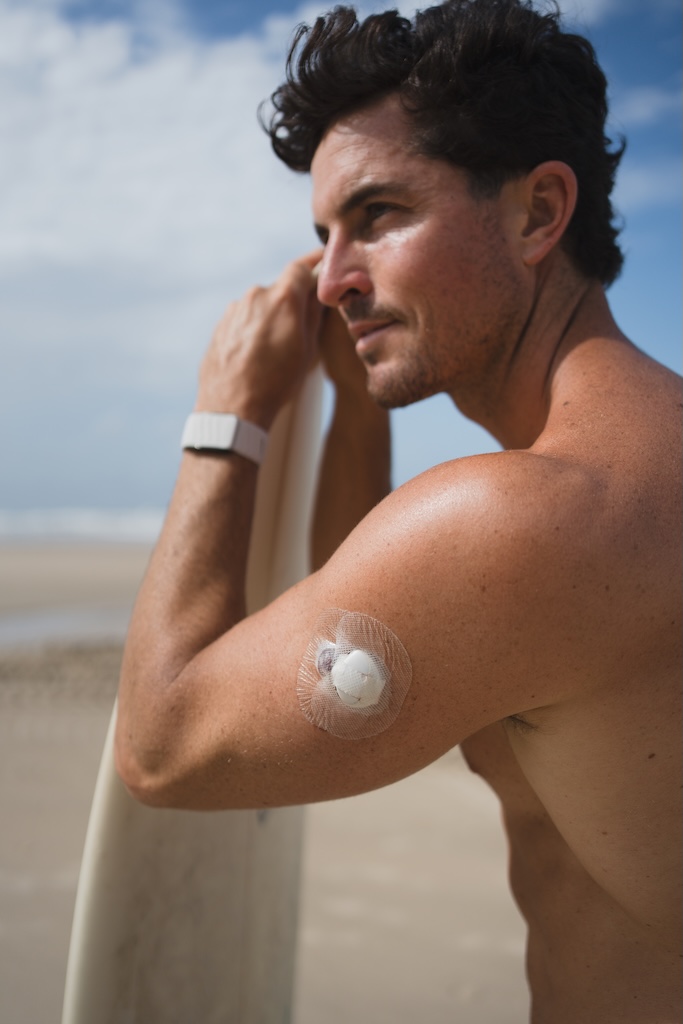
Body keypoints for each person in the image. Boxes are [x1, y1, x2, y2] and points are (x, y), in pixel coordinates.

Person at [115, 1, 682, 1019]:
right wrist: (354, 408)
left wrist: (227, 415)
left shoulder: (527, 521)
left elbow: (164, 749)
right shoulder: (626, 475)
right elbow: (371, 614)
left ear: (536, 214)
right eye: (322, 237)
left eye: (376, 214)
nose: (331, 280)